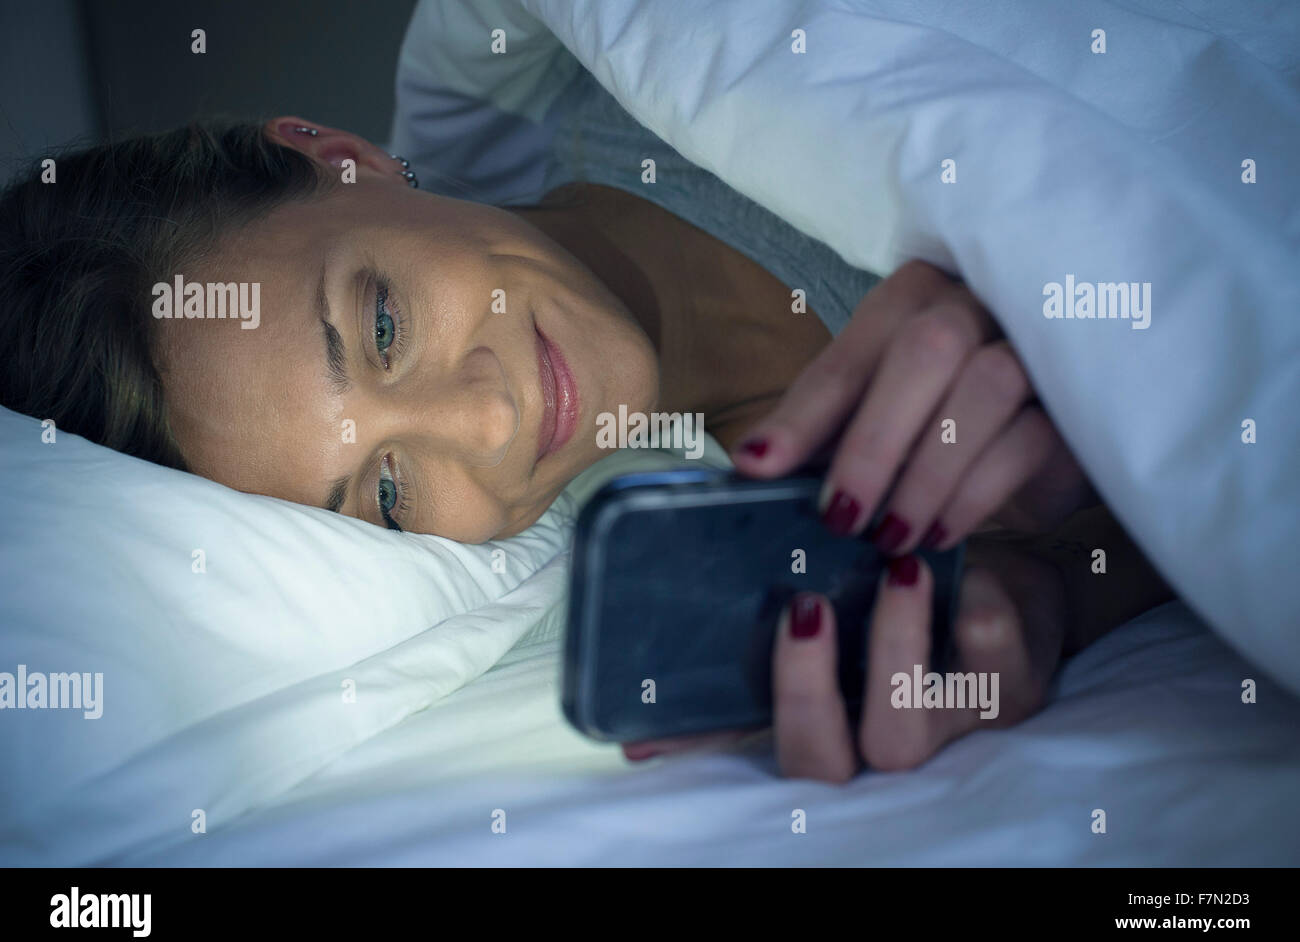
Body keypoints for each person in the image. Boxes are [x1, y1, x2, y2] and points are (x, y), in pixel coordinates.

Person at [0, 113, 1171, 782]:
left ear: (336, 153)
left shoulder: (681, 73)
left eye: (383, 326)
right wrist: (1059, 582)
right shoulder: (811, 541)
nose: (489, 424)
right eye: (391, 495)